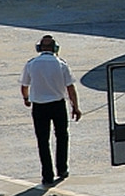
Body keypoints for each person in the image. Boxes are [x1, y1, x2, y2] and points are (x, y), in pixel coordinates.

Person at [19, 35, 81, 185]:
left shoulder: (31, 64)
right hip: (58, 105)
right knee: (62, 136)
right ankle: (62, 168)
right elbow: (70, 87)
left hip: (39, 107)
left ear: (39, 48)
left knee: (43, 140)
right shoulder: (61, 64)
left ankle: (47, 175)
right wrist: (75, 107)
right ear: (55, 48)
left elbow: (24, 85)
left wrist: (26, 99)